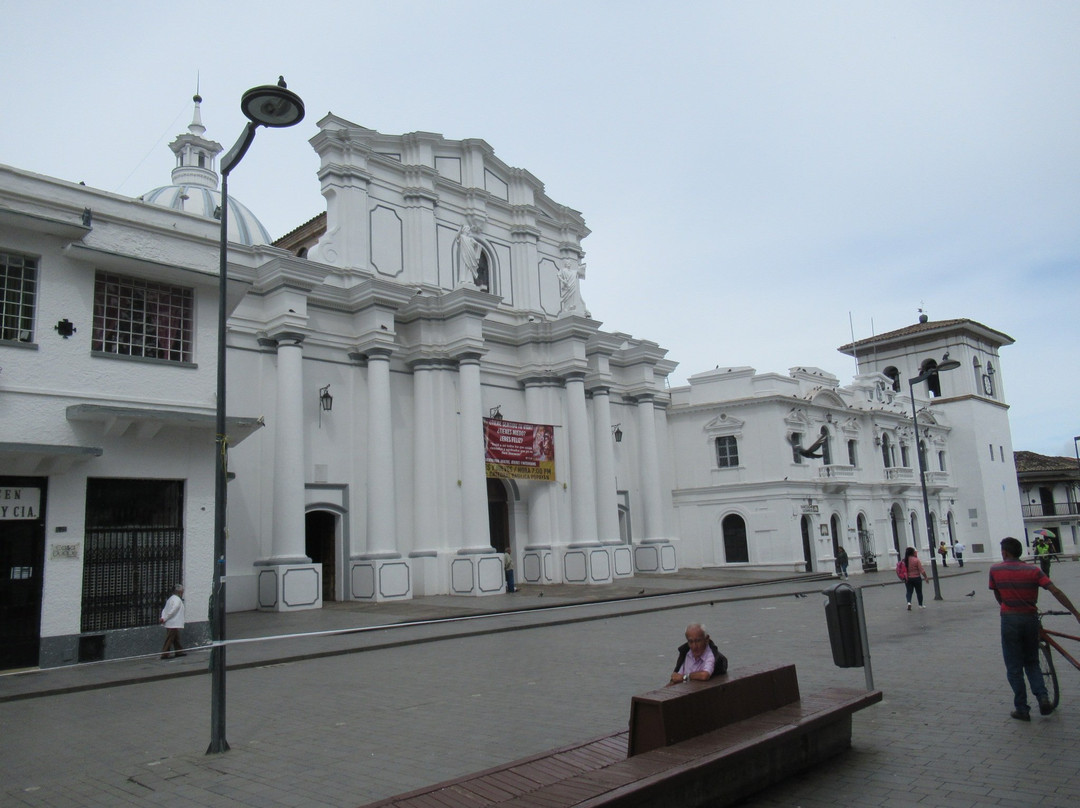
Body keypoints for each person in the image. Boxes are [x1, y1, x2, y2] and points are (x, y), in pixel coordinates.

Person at [988, 536, 1080, 720]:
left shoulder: (995, 569)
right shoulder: (1033, 570)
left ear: (1005, 552)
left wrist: (1007, 605)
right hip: (1030, 618)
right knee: (1032, 661)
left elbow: (998, 595)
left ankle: (1022, 708)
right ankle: (1043, 697)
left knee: (1014, 666)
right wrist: (1075, 613)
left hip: (1009, 619)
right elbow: (1055, 591)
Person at [160, 584, 186, 659]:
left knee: (175, 638)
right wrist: (164, 618)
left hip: (170, 623)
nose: (182, 593)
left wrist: (163, 617)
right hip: (173, 623)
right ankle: (165, 653)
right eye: (182, 591)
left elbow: (164, 610)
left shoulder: (170, 599)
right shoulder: (177, 600)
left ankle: (179, 651)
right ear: (179, 592)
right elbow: (173, 610)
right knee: (170, 638)